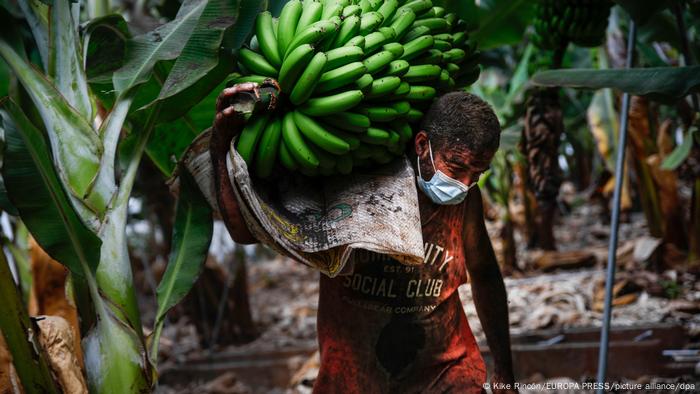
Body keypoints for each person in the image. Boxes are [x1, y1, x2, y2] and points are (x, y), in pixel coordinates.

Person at [212, 85, 517, 394]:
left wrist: (504, 370)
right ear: (423, 145)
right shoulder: (352, 184)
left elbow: (485, 274)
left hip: (448, 374)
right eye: (456, 168)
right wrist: (221, 141)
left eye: (477, 174)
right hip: (353, 378)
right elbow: (243, 232)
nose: (464, 185)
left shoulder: (466, 202)